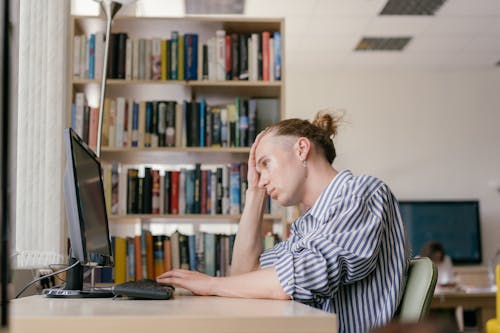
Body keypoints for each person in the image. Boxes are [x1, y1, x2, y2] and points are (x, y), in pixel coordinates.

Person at [157, 111, 410, 333]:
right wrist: (254, 193)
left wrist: (211, 284)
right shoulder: (308, 226)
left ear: (301, 149)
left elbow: (290, 280)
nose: (263, 179)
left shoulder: (362, 192)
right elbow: (244, 275)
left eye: (266, 164)